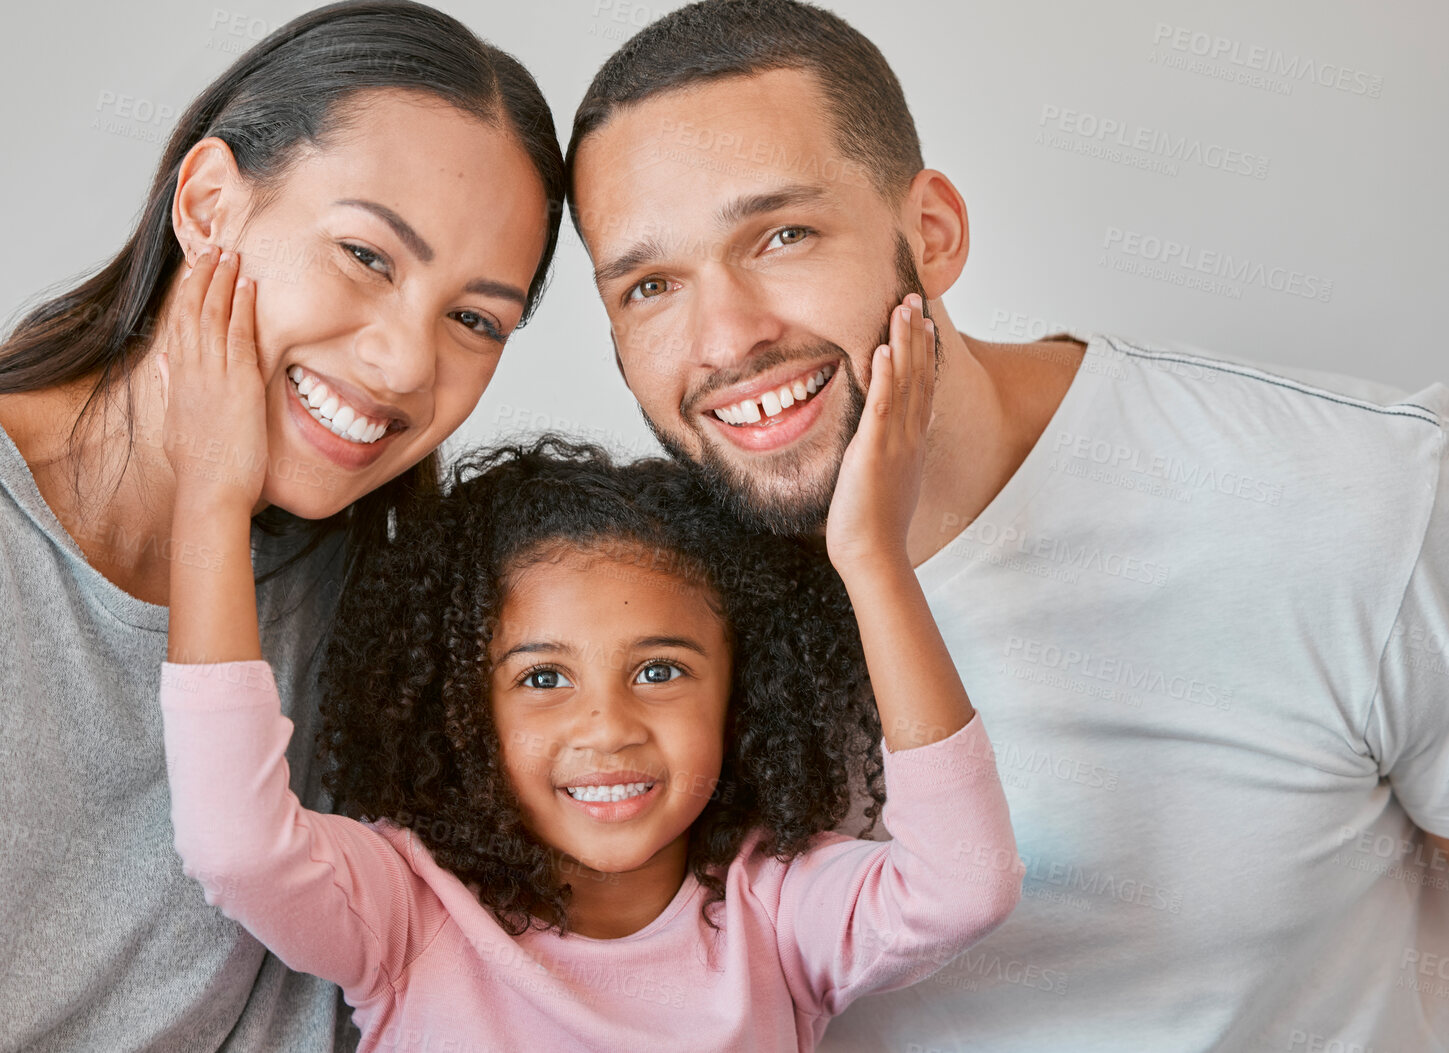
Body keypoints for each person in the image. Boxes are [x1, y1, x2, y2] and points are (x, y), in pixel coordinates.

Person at [565, 0, 1449, 1051]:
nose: (724, 339)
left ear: (930, 234)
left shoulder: (1360, 497)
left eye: (782, 234)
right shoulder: (636, 623)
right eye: (650, 285)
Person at [0, 0, 564, 1052]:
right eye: (367, 256)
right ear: (211, 203)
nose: (406, 363)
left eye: (473, 319)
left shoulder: (399, 598)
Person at [152, 266, 1020, 1051]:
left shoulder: (779, 912)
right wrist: (212, 499)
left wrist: (871, 557)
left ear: (741, 691)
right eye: (541, 678)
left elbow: (962, 887)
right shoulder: (410, 909)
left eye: (659, 670)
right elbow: (237, 848)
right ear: (462, 708)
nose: (607, 726)